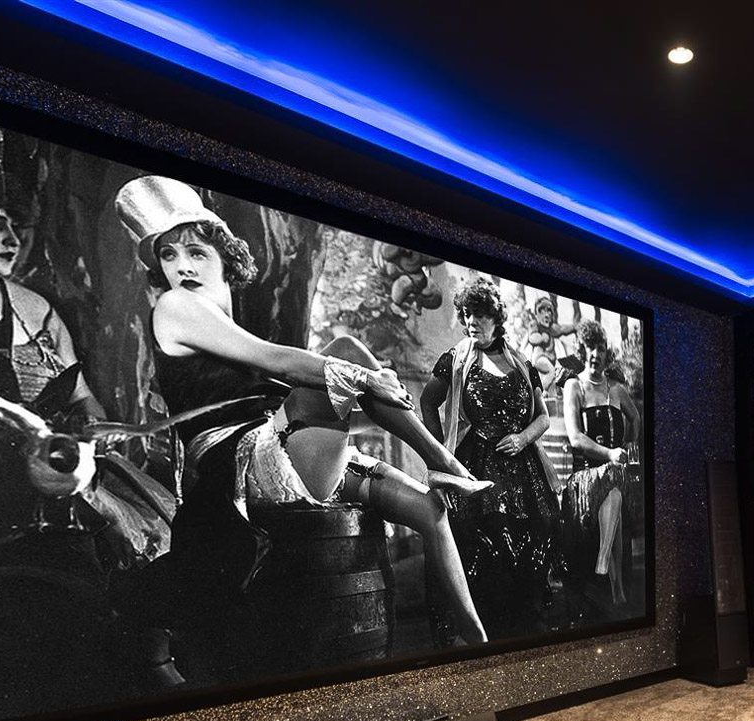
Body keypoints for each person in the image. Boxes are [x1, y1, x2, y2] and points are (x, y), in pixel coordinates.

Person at [113, 174, 490, 645]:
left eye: (196, 252)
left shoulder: (219, 323)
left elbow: (304, 393)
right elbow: (275, 359)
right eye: (168, 255)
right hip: (240, 461)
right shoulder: (174, 306)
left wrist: (366, 394)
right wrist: (367, 379)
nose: (182, 266)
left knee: (430, 510)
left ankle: (475, 640)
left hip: (290, 448)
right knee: (346, 351)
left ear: (225, 257)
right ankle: (445, 463)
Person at [421, 277, 562, 639]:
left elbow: (543, 417)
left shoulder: (522, 362)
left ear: (496, 318)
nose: (471, 322)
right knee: (489, 549)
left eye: (480, 315)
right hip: (476, 467)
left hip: (525, 470)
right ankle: (487, 638)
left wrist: (522, 437)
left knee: (540, 535)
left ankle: (526, 634)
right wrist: (440, 457)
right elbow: (427, 402)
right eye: (467, 314)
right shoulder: (455, 360)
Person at [0, 207, 104, 425]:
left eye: (14, 227)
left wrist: (93, 426)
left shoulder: (38, 308)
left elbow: (81, 396)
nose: (13, 241)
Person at [560, 318, 641, 608]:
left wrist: (630, 443)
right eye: (590, 348)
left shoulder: (617, 390)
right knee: (613, 486)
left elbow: (636, 418)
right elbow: (575, 438)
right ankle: (614, 585)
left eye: (601, 349)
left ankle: (607, 571)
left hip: (614, 473)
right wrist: (610, 454)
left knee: (615, 485)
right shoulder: (574, 386)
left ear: (607, 353)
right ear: (582, 350)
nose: (595, 354)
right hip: (585, 476)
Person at [523, 295, 575, 397]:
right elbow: (532, 337)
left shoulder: (551, 328)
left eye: (549, 311)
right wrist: (541, 338)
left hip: (550, 360)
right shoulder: (535, 324)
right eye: (542, 311)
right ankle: (543, 391)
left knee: (559, 372)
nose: (546, 315)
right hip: (540, 358)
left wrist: (574, 327)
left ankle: (557, 392)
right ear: (536, 314)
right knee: (551, 371)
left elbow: (562, 329)